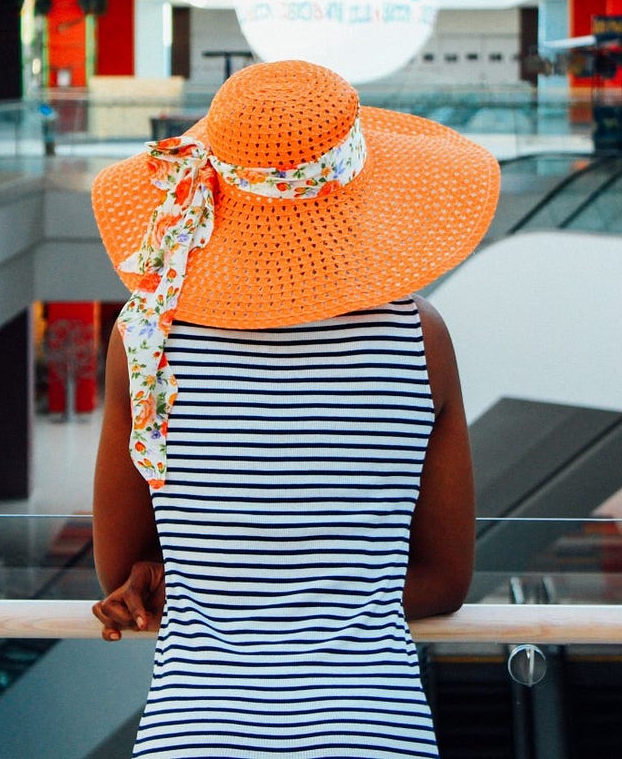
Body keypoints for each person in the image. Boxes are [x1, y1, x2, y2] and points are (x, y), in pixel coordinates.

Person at [89, 60, 500, 756]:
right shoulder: (418, 339)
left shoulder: (145, 337)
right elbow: (445, 579)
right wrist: (324, 608)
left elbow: (119, 567)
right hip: (374, 731)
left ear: (216, 182)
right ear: (361, 184)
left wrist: (203, 579)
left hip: (194, 734)